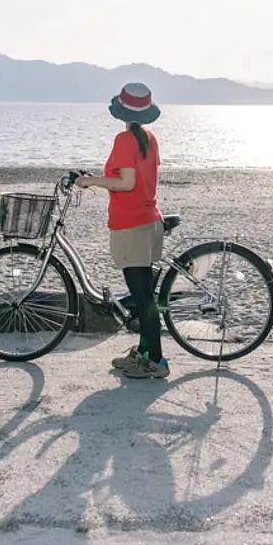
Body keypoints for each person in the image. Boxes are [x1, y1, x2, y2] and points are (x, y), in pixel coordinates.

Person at [76, 82, 168, 379]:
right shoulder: (149, 138)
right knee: (143, 296)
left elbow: (126, 183)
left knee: (143, 299)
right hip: (149, 221)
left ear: (122, 112)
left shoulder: (126, 139)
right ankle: (143, 354)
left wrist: (91, 182)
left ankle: (157, 361)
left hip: (132, 225)